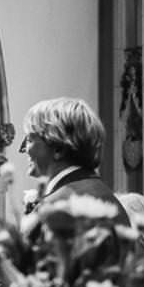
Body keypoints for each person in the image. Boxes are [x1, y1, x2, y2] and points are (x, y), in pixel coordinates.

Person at [18, 97, 128, 227]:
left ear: (58, 149)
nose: (23, 149)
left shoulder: (56, 208)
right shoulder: (112, 202)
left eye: (30, 140)